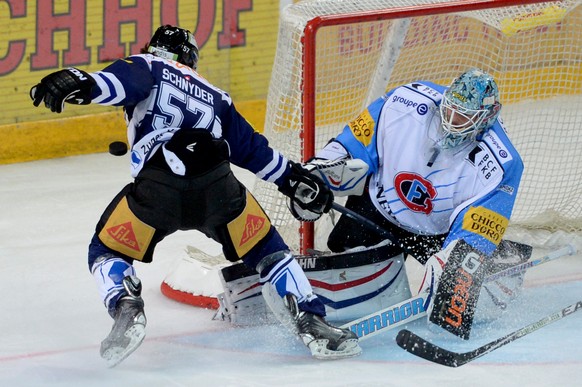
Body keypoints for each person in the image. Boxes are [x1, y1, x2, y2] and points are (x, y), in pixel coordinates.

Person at [30, 25, 361, 366]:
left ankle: (125, 303)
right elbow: (253, 152)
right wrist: (294, 181)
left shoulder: (147, 64)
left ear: (152, 48)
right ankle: (310, 318)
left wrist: (80, 83)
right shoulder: (216, 94)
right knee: (267, 248)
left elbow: (118, 84)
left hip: (159, 187)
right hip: (216, 185)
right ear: (190, 58)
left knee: (107, 249)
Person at [305, 68, 531, 338]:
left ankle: (500, 258)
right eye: (451, 109)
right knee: (347, 274)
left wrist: (454, 263)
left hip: (438, 232)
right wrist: (318, 171)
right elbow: (353, 141)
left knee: (463, 299)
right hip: (377, 209)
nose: (452, 120)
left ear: (488, 117)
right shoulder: (405, 100)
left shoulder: (503, 163)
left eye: (465, 116)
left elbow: (478, 228)